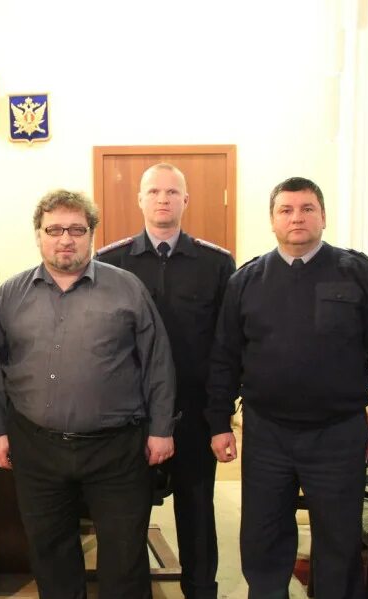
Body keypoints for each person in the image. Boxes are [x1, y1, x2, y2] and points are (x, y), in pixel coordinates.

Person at [206, 177, 368, 598]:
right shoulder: (246, 281)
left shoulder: (359, 274)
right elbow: (224, 357)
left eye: (307, 208)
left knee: (338, 541)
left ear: (323, 216)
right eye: (286, 210)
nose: (296, 218)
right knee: (263, 538)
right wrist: (219, 423)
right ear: (272, 220)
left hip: (338, 434)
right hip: (267, 433)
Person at [0, 189, 176, 599]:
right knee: (50, 553)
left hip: (116, 450)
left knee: (124, 556)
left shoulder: (127, 289)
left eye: (76, 229)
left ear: (92, 234)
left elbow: (157, 362)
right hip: (37, 448)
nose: (65, 239)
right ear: (39, 235)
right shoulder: (11, 294)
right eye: (54, 230)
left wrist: (161, 429)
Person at [96, 163, 235, 598]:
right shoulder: (110, 261)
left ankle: (201, 590)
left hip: (193, 411)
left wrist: (220, 416)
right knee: (127, 517)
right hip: (130, 414)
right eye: (154, 191)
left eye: (172, 192)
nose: (162, 199)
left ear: (185, 200)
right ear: (139, 199)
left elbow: (227, 346)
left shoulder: (216, 263)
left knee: (197, 511)